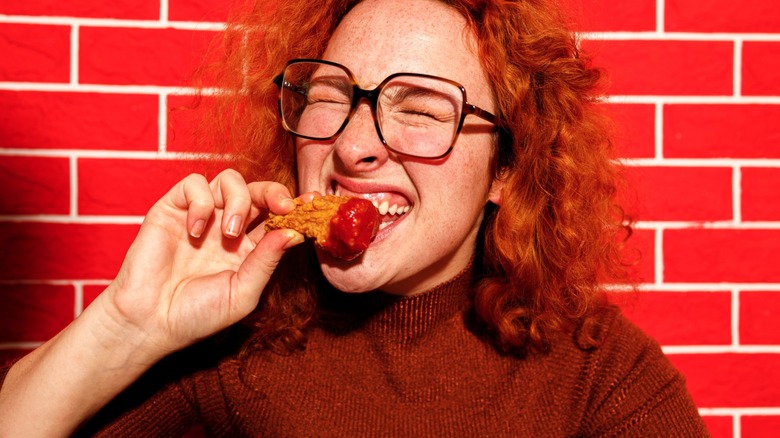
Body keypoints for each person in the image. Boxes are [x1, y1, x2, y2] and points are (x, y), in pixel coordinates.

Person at [0, 0, 710, 436]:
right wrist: (128, 326)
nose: (351, 146)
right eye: (330, 96)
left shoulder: (600, 376)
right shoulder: (236, 345)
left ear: (505, 167)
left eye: (421, 108)